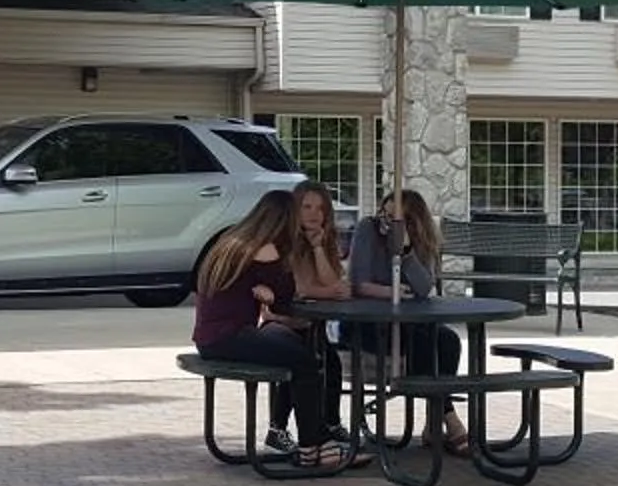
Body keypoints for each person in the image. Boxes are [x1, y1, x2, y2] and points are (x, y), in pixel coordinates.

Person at [194, 191, 353, 469]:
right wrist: (272, 294)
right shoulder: (266, 249)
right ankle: (312, 445)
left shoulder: (231, 241)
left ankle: (314, 441)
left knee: (301, 356)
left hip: (210, 338)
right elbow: (286, 299)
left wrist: (269, 293)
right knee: (306, 361)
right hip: (232, 336)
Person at [346, 187, 474, 455]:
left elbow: (424, 286)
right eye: (385, 214)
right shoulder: (367, 230)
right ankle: (449, 417)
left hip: (409, 323)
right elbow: (357, 283)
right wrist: (391, 292)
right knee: (423, 338)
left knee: (447, 340)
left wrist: (405, 253)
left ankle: (433, 420)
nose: (387, 223)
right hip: (369, 324)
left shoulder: (418, 241)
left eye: (395, 219)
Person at [269, 181, 355, 454]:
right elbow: (297, 289)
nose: (313, 214)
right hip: (279, 320)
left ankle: (331, 422)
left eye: (320, 208)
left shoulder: (324, 241)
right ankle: (277, 428)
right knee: (297, 359)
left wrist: (318, 248)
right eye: (306, 206)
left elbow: (335, 283)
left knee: (331, 365)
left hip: (311, 324)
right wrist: (329, 291)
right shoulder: (281, 243)